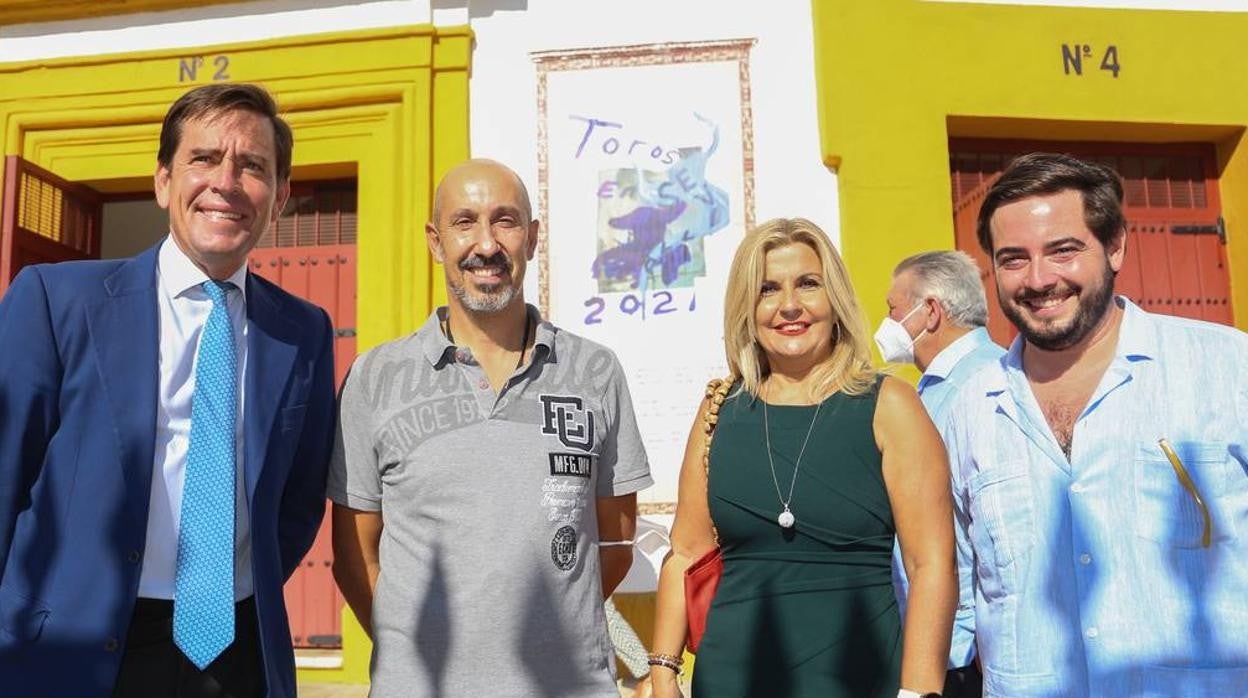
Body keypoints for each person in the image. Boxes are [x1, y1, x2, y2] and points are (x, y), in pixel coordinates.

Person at [0, 83, 336, 698]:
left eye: (253, 166)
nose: (227, 182)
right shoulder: (55, 301)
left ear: (280, 198)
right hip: (66, 649)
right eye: (203, 159)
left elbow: (298, 499)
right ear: (162, 182)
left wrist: (221, 586)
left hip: (233, 655)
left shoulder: (303, 331)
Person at [329, 159, 652, 696]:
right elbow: (355, 558)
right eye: (464, 222)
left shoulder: (596, 371)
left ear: (532, 238)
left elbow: (614, 543)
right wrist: (413, 651)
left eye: (505, 221)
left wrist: (553, 631)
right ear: (436, 242)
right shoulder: (376, 378)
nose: (486, 243)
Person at [945, 152, 1248, 696]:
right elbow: (960, 590)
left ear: (1114, 247)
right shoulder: (970, 410)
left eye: (1063, 250)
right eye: (1013, 259)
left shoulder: (1226, 369)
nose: (1039, 279)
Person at [648, 218, 957, 697]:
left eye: (808, 284)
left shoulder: (890, 405)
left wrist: (918, 693)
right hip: (731, 681)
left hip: (861, 680)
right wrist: (663, 671)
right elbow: (686, 551)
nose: (789, 305)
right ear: (746, 309)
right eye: (767, 289)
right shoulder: (718, 409)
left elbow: (931, 565)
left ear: (834, 298)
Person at [877, 250, 1005, 696]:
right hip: (940, 645)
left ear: (929, 311)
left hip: (964, 653)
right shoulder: (931, 389)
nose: (888, 324)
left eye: (893, 309)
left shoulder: (985, 384)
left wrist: (965, 644)